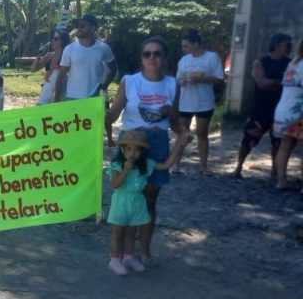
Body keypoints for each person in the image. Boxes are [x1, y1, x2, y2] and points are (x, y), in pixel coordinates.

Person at [107, 36, 191, 265]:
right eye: (147, 54)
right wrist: (94, 115)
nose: (152, 57)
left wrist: (183, 133)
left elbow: (174, 121)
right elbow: (113, 114)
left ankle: (143, 250)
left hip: (158, 143)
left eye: (157, 54)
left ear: (164, 59)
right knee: (126, 195)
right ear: (142, 59)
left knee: (148, 202)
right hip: (131, 143)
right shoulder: (130, 81)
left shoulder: (173, 85)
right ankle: (121, 253)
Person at [107, 129, 186, 275]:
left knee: (132, 231)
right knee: (119, 232)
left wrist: (178, 147)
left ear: (142, 152)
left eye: (137, 150)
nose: (132, 153)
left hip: (137, 201)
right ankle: (114, 259)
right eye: (129, 149)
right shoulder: (117, 164)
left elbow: (166, 165)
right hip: (121, 201)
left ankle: (128, 257)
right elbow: (114, 185)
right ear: (122, 149)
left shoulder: (147, 164)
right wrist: (125, 171)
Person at [232, 33, 292, 179]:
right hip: (261, 108)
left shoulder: (291, 64)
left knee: (278, 142)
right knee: (248, 139)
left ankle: (275, 170)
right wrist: (279, 83)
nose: (290, 47)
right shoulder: (260, 62)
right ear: (276, 45)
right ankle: (238, 167)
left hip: (282, 109)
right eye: (286, 44)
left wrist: (273, 82)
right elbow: (261, 83)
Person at [175, 29, 224, 174]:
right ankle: (175, 164)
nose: (184, 49)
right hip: (185, 102)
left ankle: (203, 166)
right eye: (183, 46)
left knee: (202, 133)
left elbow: (219, 78)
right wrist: (182, 81)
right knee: (182, 133)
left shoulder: (211, 57)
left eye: (187, 46)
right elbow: (177, 79)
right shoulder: (184, 60)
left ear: (196, 44)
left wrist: (200, 79)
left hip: (204, 101)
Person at [54, 14, 116, 104]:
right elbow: (61, 75)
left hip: (95, 98)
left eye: (82, 26)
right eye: (78, 26)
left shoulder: (104, 48)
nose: (79, 29)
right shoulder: (70, 49)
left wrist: (104, 86)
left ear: (93, 28)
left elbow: (113, 69)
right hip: (72, 97)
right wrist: (56, 98)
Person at [272, 38, 303, 193]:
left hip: (284, 110)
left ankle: (281, 180)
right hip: (298, 113)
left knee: (285, 146)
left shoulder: (293, 64)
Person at [31, 30, 70, 105]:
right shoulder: (49, 55)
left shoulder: (68, 57)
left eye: (55, 39)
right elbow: (33, 70)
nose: (52, 41)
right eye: (52, 38)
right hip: (46, 93)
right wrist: (38, 55)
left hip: (61, 94)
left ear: (63, 41)